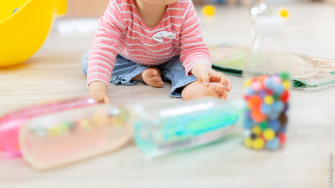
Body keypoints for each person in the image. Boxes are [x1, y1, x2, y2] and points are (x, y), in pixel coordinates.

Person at [81, 0, 231, 103]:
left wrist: (202, 69)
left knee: (185, 65)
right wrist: (97, 91)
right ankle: (139, 73)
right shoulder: (119, 6)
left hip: (171, 58)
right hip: (128, 58)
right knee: (89, 59)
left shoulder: (183, 6)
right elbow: (103, 49)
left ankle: (192, 86)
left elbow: (193, 48)